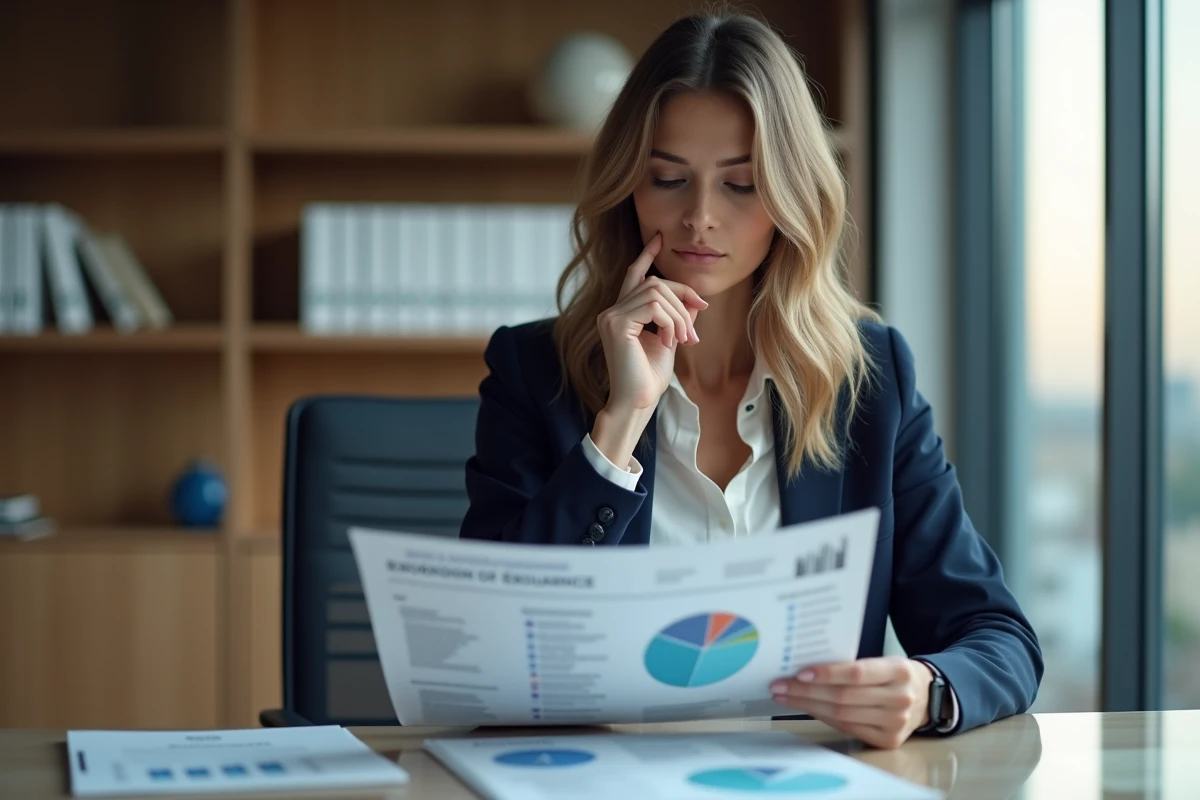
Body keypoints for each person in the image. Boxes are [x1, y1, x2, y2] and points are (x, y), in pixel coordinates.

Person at [459, 10, 1042, 749]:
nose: (700, 217)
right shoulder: (532, 371)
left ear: (792, 197)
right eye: (668, 178)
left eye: (741, 185)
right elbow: (493, 653)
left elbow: (998, 637)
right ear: (628, 190)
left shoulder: (869, 380)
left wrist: (929, 689)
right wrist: (618, 427)